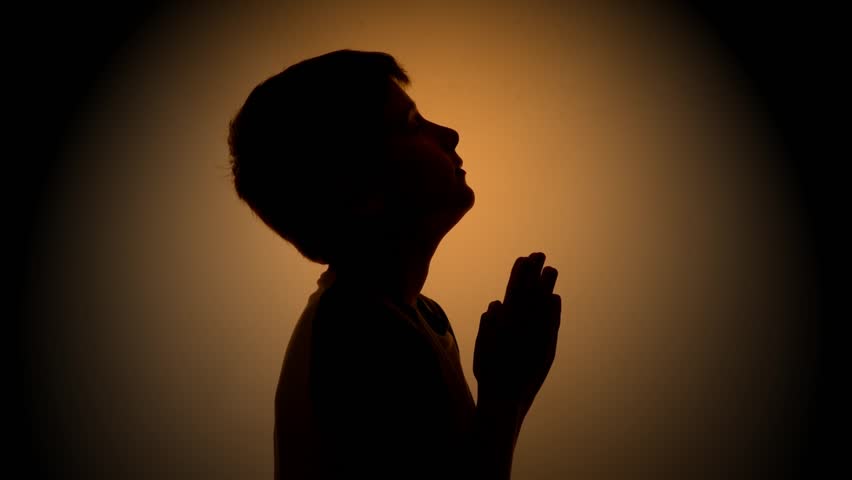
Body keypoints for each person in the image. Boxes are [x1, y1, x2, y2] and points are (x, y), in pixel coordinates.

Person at [228, 49, 561, 480]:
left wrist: (505, 391)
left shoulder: (416, 316)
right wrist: (505, 394)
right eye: (411, 125)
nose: (450, 134)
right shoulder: (358, 334)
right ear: (357, 189)